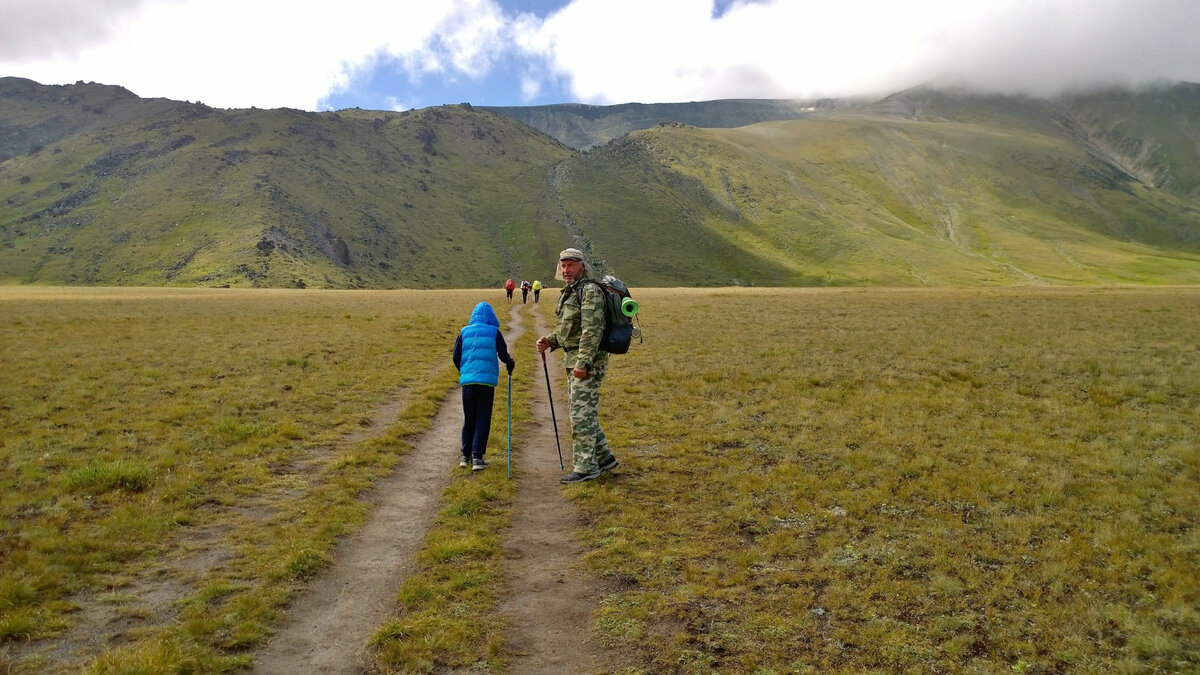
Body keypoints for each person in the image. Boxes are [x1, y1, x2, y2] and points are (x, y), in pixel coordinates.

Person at [535, 248, 619, 483]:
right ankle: (605, 459)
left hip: (587, 363)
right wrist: (550, 341)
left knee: (580, 415)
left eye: (571, 265)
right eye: (563, 265)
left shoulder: (589, 290)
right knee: (584, 413)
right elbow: (568, 328)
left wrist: (583, 363)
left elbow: (592, 331)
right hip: (574, 361)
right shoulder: (570, 291)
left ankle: (586, 467)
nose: (566, 269)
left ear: (582, 266)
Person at [453, 302, 516, 470]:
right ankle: (478, 457)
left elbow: (455, 356)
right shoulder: (494, 332)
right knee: (483, 417)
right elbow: (503, 354)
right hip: (486, 383)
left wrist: (465, 371)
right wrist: (510, 364)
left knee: (469, 417)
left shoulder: (464, 332)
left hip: (468, 383)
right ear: (491, 317)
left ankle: (465, 457)